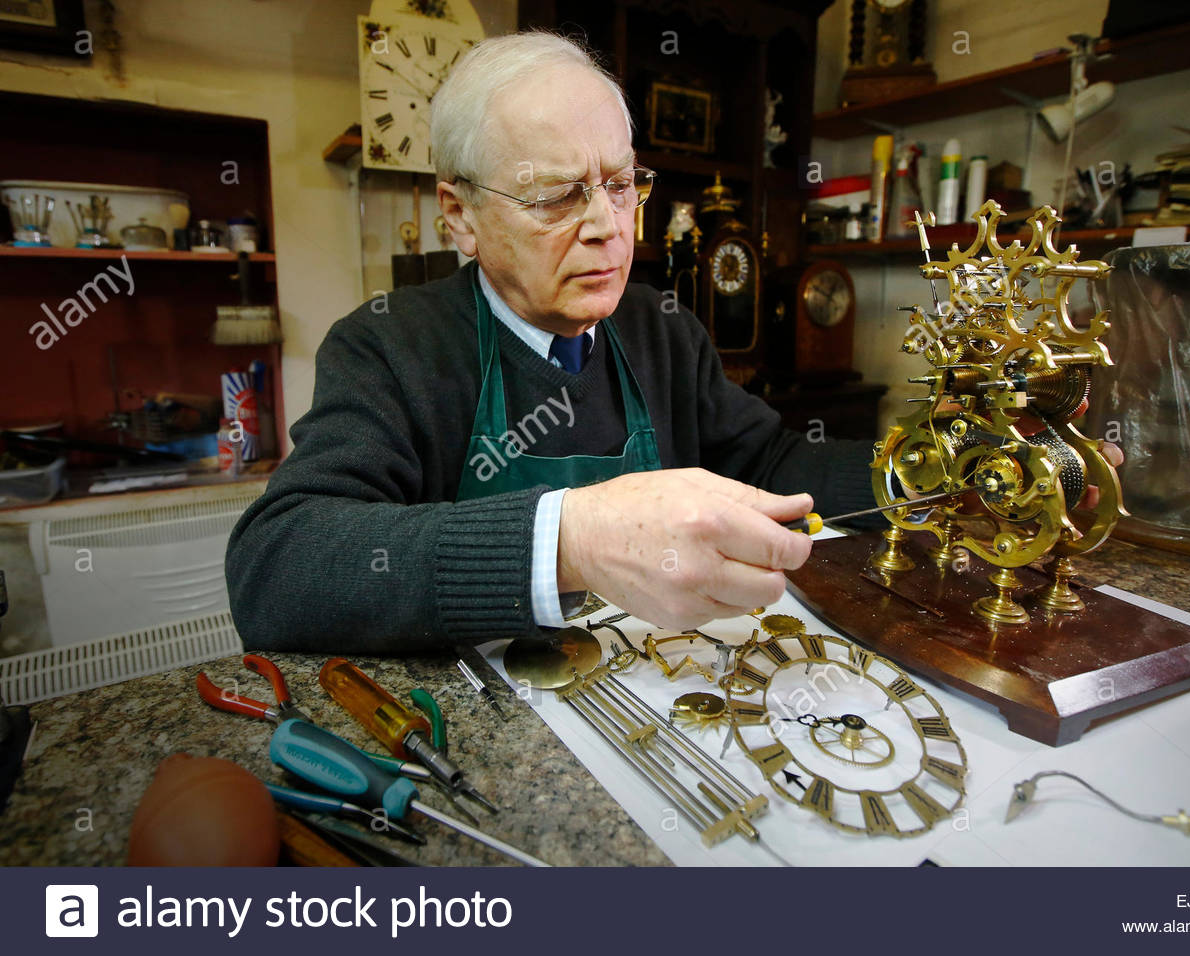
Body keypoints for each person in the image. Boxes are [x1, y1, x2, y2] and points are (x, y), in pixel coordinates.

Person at [225, 32, 877, 653]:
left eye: (620, 186)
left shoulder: (662, 326)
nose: (607, 227)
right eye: (555, 196)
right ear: (461, 215)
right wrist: (571, 541)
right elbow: (276, 567)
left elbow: (766, 465)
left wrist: (913, 469)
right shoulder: (389, 347)